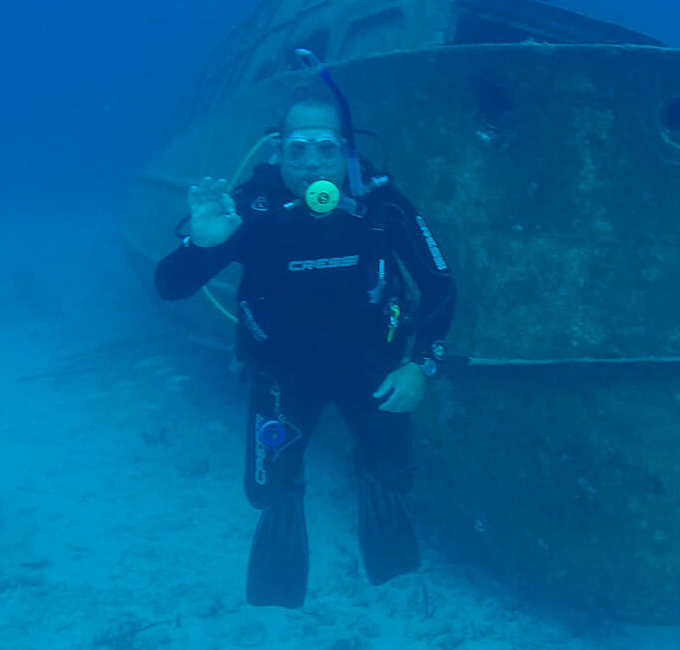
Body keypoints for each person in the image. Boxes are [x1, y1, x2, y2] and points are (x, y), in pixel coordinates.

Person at [154, 90, 455, 608]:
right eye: (298, 149)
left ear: (347, 152)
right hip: (281, 374)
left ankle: (383, 533)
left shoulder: (382, 207)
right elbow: (170, 287)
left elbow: (441, 286)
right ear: (278, 153)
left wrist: (420, 367)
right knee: (268, 487)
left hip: (372, 368)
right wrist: (200, 245)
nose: (312, 163)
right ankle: (281, 564)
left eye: (326, 148)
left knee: (395, 471)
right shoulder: (251, 210)